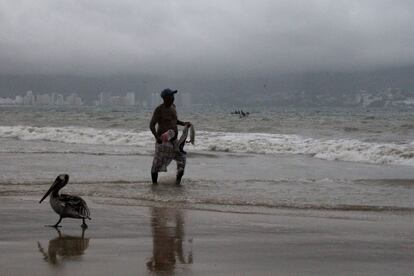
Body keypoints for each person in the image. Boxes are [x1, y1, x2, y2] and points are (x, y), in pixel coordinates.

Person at [149, 88, 191, 185]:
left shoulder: (173, 107)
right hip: (163, 142)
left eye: (173, 96)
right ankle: (154, 185)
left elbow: (174, 121)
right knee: (156, 165)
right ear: (165, 98)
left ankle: (177, 183)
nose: (173, 98)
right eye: (171, 96)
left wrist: (184, 123)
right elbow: (151, 125)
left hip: (174, 141)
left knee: (182, 159)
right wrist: (157, 137)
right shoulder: (159, 110)